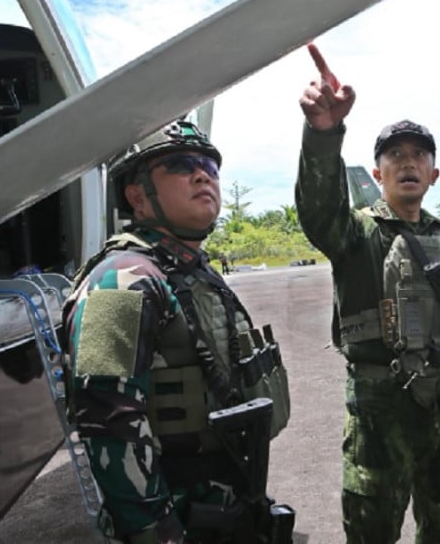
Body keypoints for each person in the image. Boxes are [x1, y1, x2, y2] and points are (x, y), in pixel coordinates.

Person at [62, 120, 293, 543]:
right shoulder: (120, 281)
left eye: (209, 165)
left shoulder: (192, 270)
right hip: (175, 517)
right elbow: (106, 420)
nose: (203, 174)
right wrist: (155, 532)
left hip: (223, 501)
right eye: (181, 165)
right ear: (138, 197)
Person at [295, 44, 440, 544]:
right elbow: (318, 209)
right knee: (373, 530)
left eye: (419, 155)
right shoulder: (356, 234)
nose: (408, 163)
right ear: (378, 174)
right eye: (395, 155)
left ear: (434, 175)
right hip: (379, 410)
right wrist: (323, 134)